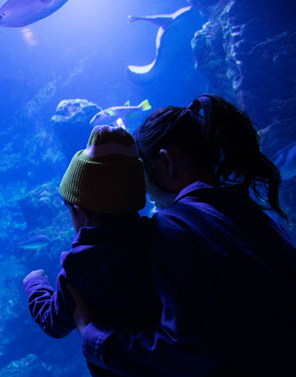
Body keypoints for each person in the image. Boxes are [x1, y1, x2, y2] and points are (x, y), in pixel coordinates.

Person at [72, 94, 296, 376]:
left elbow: (184, 352)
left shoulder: (172, 226)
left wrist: (91, 335)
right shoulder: (259, 216)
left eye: (141, 174)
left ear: (167, 162)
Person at [23, 125, 160, 376]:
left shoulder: (79, 267)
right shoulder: (159, 237)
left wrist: (35, 284)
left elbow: (54, 323)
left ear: (80, 210)